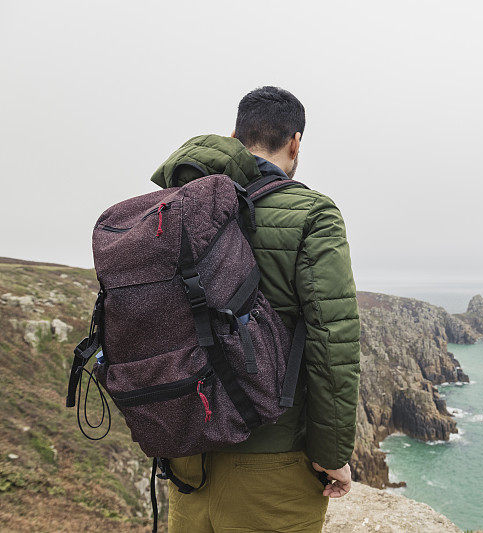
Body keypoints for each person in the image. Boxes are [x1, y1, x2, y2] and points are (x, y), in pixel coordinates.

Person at [150, 86, 360, 533]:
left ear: (234, 135)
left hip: (189, 460)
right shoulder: (313, 215)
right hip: (272, 468)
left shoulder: (176, 207)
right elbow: (332, 340)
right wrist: (332, 453)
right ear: (295, 142)